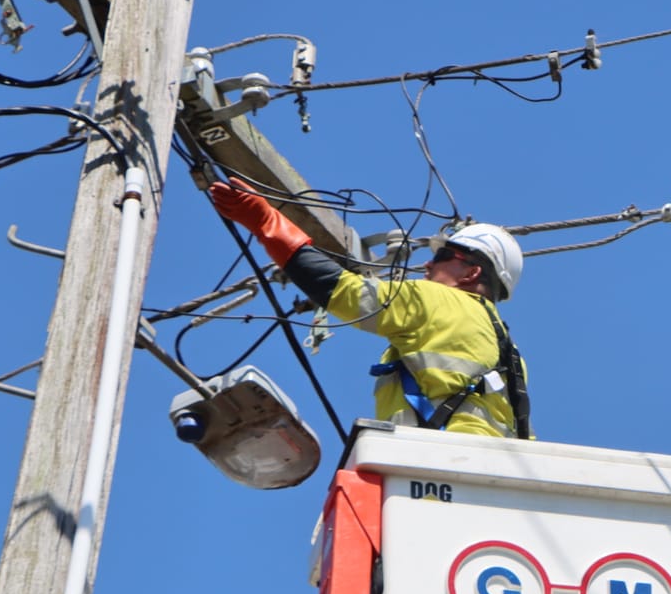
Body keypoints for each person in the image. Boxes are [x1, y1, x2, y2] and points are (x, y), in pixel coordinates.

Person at [207, 178, 530, 439]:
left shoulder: (437, 299)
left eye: (443, 257)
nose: (428, 264)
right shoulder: (511, 355)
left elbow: (344, 292)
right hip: (488, 481)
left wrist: (268, 223)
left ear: (472, 273)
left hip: (437, 467)